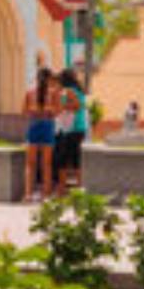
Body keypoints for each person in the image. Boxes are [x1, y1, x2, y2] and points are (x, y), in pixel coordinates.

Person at [22, 68, 57, 201]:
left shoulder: (30, 93)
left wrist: (35, 111)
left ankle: (28, 194)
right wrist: (47, 110)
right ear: (49, 79)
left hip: (34, 125)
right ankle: (45, 194)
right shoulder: (53, 93)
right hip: (47, 125)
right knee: (46, 164)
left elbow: (24, 111)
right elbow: (57, 111)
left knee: (30, 163)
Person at [53, 68, 88, 192]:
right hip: (80, 127)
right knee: (76, 158)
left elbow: (76, 106)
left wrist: (62, 106)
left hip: (71, 128)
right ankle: (79, 186)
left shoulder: (69, 91)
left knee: (63, 158)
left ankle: (62, 188)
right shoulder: (80, 90)